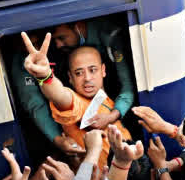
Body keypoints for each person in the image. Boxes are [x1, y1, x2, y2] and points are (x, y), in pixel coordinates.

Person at [22, 33, 131, 162]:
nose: (87, 78)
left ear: (103, 70)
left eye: (92, 70)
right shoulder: (78, 104)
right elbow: (60, 96)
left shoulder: (107, 101)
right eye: (79, 73)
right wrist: (45, 76)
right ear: (70, 78)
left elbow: (128, 92)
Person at [49, 18, 135, 132]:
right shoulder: (74, 103)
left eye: (62, 38)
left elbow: (128, 87)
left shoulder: (110, 38)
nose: (58, 45)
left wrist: (111, 117)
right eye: (79, 73)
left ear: (77, 26)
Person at [9, 29, 84, 157]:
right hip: (53, 121)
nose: (35, 49)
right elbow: (35, 103)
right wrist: (57, 138)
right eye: (29, 45)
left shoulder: (59, 46)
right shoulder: (21, 65)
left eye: (38, 43)